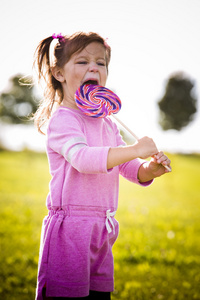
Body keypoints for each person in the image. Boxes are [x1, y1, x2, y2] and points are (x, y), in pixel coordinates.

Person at [33, 32, 171, 300]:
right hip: (70, 231)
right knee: (67, 294)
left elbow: (128, 166)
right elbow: (83, 159)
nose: (94, 67)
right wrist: (134, 148)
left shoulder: (108, 122)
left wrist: (148, 169)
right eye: (82, 62)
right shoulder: (63, 120)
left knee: (99, 294)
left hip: (102, 229)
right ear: (59, 73)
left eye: (101, 62)